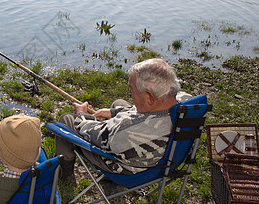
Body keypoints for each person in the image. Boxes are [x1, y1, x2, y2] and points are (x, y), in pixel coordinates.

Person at [55, 58, 192, 182]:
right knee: (118, 103)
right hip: (166, 160)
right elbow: (138, 114)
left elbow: (94, 133)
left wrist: (82, 115)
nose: (129, 93)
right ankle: (116, 110)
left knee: (66, 120)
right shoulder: (187, 103)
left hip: (129, 168)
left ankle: (64, 174)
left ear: (149, 97)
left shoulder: (125, 132)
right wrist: (113, 113)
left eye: (132, 90)